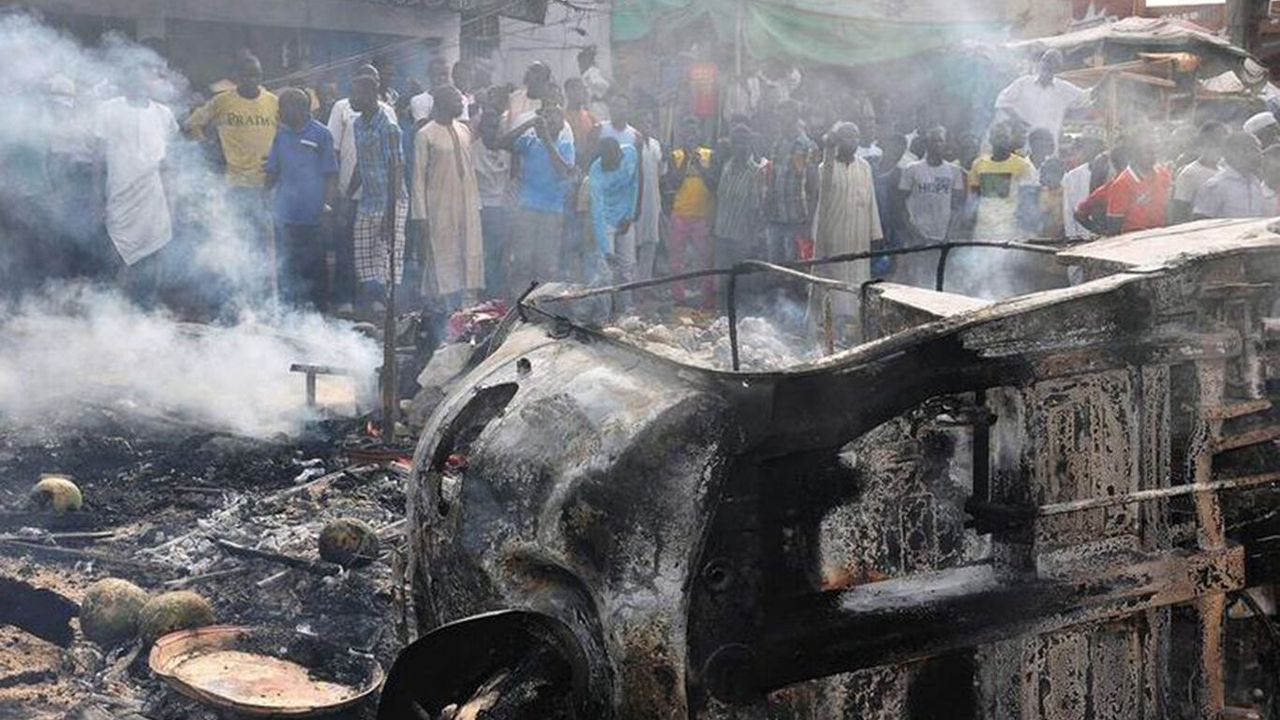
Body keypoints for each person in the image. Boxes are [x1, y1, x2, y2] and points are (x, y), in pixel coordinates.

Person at [186, 53, 280, 296]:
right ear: (236, 77)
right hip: (234, 183)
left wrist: (278, 161)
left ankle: (265, 295)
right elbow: (193, 124)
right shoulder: (222, 101)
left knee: (266, 246)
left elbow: (285, 134)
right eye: (247, 75)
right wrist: (207, 148)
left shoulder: (273, 102)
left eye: (256, 75)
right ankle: (239, 295)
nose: (252, 80)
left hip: (266, 185)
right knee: (238, 241)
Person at [94, 62, 180, 304]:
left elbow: (168, 164)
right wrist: (97, 199)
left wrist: (173, 202)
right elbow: (98, 161)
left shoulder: (163, 113)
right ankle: (115, 310)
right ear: (126, 81)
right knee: (118, 255)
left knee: (155, 252)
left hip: (153, 197)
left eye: (145, 79)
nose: (140, 84)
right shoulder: (108, 110)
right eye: (134, 79)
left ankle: (148, 309)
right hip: (119, 194)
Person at [264, 87, 339, 310]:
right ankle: (289, 313)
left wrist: (328, 207)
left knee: (316, 269)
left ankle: (319, 315)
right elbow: (272, 171)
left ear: (300, 108)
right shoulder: (281, 135)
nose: (279, 112)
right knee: (287, 267)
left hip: (314, 216)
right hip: (285, 216)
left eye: (282, 107)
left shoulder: (322, 134)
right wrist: (264, 199)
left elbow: (331, 175)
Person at [411, 85, 485, 309]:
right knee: (442, 251)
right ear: (441, 103)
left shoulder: (464, 130)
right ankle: (442, 308)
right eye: (456, 100)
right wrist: (421, 215)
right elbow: (418, 177)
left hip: (467, 202)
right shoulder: (425, 134)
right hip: (439, 204)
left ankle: (466, 306)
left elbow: (470, 169)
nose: (461, 104)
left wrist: (476, 203)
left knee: (469, 248)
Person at [495, 100, 576, 295]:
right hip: (527, 209)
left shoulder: (566, 145)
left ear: (562, 123)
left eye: (554, 116)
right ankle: (519, 301)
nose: (549, 120)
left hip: (552, 212)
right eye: (546, 116)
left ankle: (542, 302)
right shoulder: (530, 141)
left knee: (546, 264)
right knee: (522, 260)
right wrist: (528, 124)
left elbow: (563, 172)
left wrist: (547, 140)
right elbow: (502, 143)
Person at [810, 121, 881, 339]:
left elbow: (871, 201)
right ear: (838, 141)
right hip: (834, 236)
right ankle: (831, 328)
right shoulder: (826, 168)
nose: (852, 141)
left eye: (855, 136)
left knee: (857, 281)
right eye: (847, 136)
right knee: (834, 283)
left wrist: (875, 234)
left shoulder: (865, 167)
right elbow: (819, 202)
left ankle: (854, 328)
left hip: (859, 237)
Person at [348, 73, 408, 315]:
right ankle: (373, 308)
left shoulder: (389, 127)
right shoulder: (357, 124)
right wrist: (346, 197)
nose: (351, 99)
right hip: (368, 201)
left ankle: (390, 311)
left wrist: (389, 214)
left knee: (388, 257)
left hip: (391, 200)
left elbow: (397, 170)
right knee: (364, 256)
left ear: (371, 94)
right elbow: (361, 163)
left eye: (355, 94)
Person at [664, 115, 717, 307]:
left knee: (705, 259)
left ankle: (706, 297)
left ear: (699, 134)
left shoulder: (710, 155)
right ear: (682, 134)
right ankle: (678, 296)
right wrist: (687, 158)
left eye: (694, 132)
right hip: (680, 214)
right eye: (687, 132)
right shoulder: (675, 155)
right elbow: (675, 183)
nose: (691, 136)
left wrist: (699, 165)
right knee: (676, 260)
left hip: (703, 215)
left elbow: (712, 184)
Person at [1075, 132, 1171, 236]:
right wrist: (1101, 232)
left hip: (1161, 238)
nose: (1153, 156)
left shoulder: (1162, 174)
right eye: (1148, 152)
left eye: (1153, 152)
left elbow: (1168, 210)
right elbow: (1114, 230)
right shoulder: (1120, 184)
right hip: (1135, 241)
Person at [994, 49, 1084, 152]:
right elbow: (1002, 101)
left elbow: (1087, 97)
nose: (1048, 64)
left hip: (1049, 146)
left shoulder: (1063, 88)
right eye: (1045, 60)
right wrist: (1018, 120)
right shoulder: (1023, 83)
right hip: (1024, 143)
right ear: (1041, 63)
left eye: (1053, 62)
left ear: (1058, 68)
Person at [764, 99, 816, 266]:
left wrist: (810, 221)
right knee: (774, 265)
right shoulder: (777, 144)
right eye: (779, 118)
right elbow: (772, 177)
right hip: (775, 217)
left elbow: (814, 185)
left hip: (797, 218)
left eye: (784, 118)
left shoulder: (808, 146)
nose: (780, 122)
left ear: (795, 117)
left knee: (794, 265)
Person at [473, 86, 513, 299]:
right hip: (482, 209)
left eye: (496, 127)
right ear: (481, 129)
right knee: (485, 255)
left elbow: (511, 178)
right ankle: (485, 294)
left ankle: (497, 297)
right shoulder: (473, 151)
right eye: (489, 127)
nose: (493, 131)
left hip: (503, 210)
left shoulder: (507, 150)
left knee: (500, 256)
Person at [713, 124, 768, 274]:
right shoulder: (726, 167)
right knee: (722, 278)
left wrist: (752, 239)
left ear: (749, 144)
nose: (739, 147)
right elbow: (720, 199)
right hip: (721, 234)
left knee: (741, 279)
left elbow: (756, 208)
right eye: (736, 142)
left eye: (743, 142)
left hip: (741, 239)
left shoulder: (755, 172)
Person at [969, 121, 1039, 240]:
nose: (1001, 141)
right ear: (991, 140)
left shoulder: (1023, 166)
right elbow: (974, 198)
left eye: (1005, 137)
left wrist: (1025, 231)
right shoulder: (978, 164)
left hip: (1009, 231)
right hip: (983, 230)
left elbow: (1028, 202)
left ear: (1010, 139)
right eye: (998, 137)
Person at [899, 127, 965, 245]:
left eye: (940, 141)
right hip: (918, 238)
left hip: (944, 238)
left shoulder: (954, 171)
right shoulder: (912, 169)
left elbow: (957, 206)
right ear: (927, 143)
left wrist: (950, 233)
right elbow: (901, 204)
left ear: (945, 144)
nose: (937, 144)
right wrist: (914, 232)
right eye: (933, 141)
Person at [587, 137, 639, 284]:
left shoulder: (630, 153)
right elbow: (597, 212)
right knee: (606, 270)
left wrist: (630, 215)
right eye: (610, 163)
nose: (614, 165)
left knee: (629, 264)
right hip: (606, 220)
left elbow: (634, 185)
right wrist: (606, 250)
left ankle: (627, 297)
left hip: (625, 216)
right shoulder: (596, 173)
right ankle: (606, 298)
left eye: (617, 161)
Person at [1193, 131, 1274, 220]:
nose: (1260, 155)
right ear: (1239, 152)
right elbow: (1200, 222)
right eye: (1255, 150)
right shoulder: (1216, 186)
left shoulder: (1255, 183)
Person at [1171, 121, 1228, 224]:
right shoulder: (1189, 174)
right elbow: (1179, 212)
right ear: (1204, 142)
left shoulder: (1225, 172)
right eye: (1215, 141)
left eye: (1223, 142)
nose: (1219, 145)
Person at [633, 109, 664, 282]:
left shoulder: (656, 145)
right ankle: (632, 283)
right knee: (633, 243)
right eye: (643, 122)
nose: (647, 126)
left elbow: (660, 172)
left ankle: (645, 282)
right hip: (635, 201)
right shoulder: (631, 142)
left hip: (652, 200)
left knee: (650, 242)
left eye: (650, 122)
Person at [1061, 126, 1107, 240]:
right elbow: (1068, 210)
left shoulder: (1111, 174)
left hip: (1105, 239)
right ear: (1082, 146)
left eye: (1096, 145)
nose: (1092, 149)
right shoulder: (1072, 176)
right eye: (1088, 144)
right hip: (1081, 238)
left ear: (1102, 148)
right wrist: (1072, 237)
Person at [504, 62, 552, 131]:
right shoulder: (514, 97)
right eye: (529, 70)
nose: (528, 73)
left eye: (535, 71)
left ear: (543, 79)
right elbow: (507, 125)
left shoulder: (550, 102)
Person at [563, 78, 598, 156]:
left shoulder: (591, 117)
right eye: (580, 89)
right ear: (569, 92)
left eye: (585, 89)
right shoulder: (562, 117)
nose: (585, 92)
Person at [577, 46, 611, 121]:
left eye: (583, 61)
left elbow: (604, 85)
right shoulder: (585, 74)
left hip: (597, 106)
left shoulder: (593, 72)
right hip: (588, 106)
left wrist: (597, 96)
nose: (580, 64)